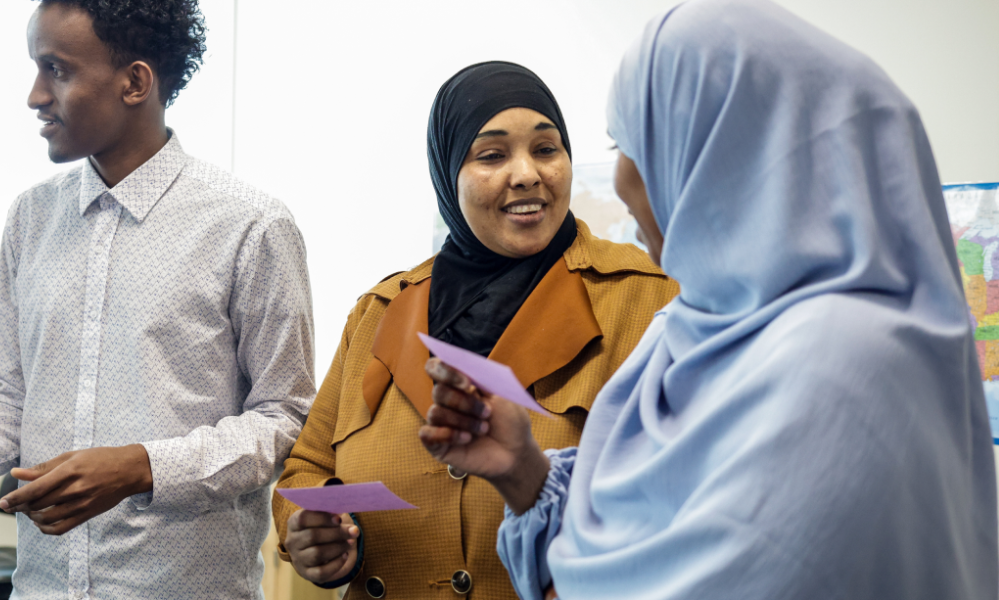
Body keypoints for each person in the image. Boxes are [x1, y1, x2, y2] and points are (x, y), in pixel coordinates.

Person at [421, 1, 999, 598]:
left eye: (636, 145)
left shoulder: (845, 365)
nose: (619, 181)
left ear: (731, 154)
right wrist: (525, 474)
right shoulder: (693, 324)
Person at [0, 1, 314, 598]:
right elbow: (12, 402)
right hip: (43, 587)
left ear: (135, 82)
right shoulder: (31, 218)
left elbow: (284, 419)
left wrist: (142, 467)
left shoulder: (251, 226)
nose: (35, 95)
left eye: (56, 69)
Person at [273, 61, 679, 599]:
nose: (527, 173)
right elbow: (306, 468)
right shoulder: (380, 310)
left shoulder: (646, 297)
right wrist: (317, 537)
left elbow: (678, 487)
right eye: (491, 155)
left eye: (545, 149)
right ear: (447, 173)